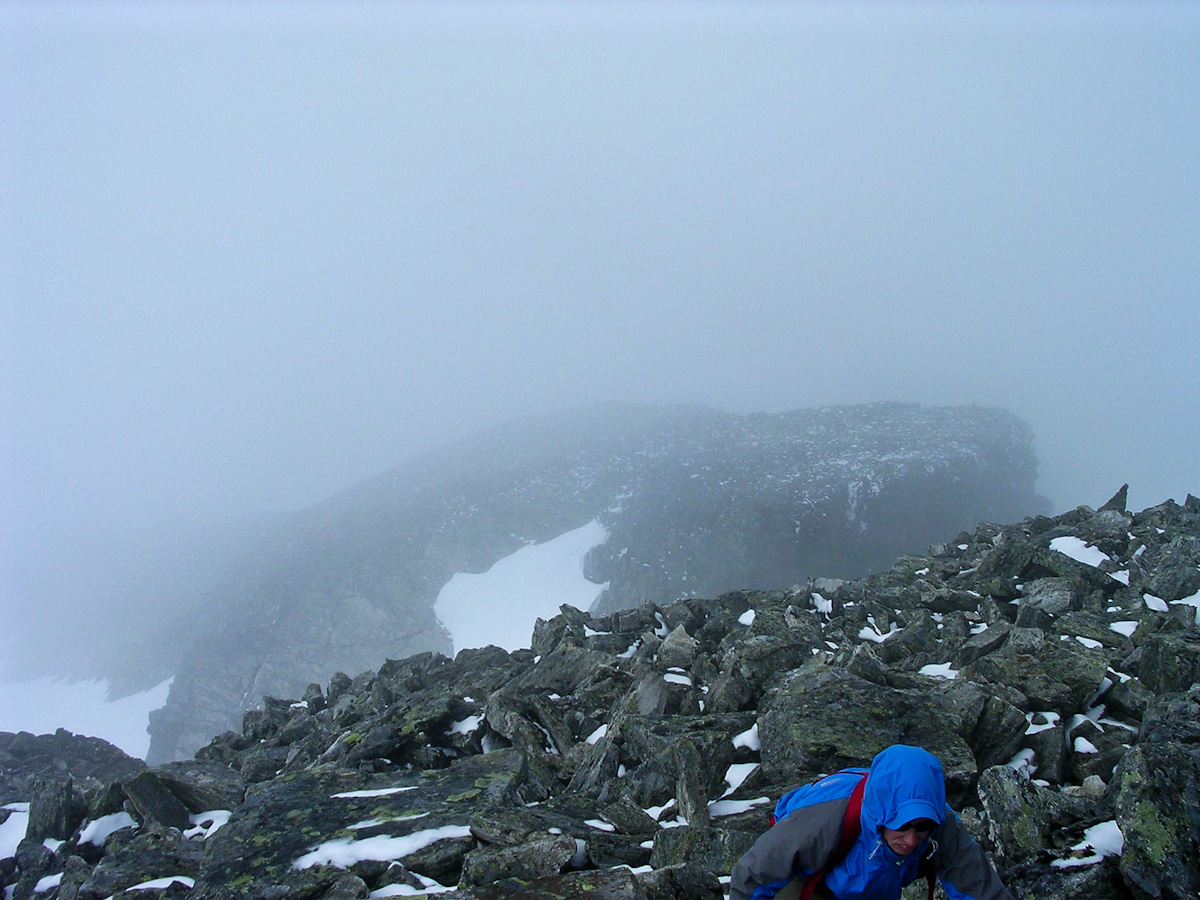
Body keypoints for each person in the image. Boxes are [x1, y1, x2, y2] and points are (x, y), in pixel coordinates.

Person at [728, 744, 1013, 900]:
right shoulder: (823, 821)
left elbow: (982, 892)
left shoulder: (942, 826)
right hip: (805, 881)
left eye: (921, 827)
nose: (912, 839)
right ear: (879, 816)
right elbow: (753, 875)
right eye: (901, 825)